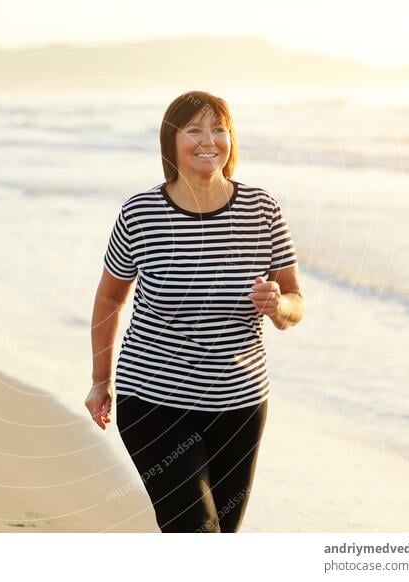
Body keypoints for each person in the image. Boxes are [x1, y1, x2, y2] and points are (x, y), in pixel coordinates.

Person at [85, 90, 305, 533]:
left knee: (221, 535)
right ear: (171, 143)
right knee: (195, 532)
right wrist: (99, 381)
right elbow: (110, 298)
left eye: (219, 129)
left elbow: (296, 301)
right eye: (195, 130)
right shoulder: (140, 212)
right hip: (153, 400)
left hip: (239, 403)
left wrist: (278, 305)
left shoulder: (262, 209)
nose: (209, 140)